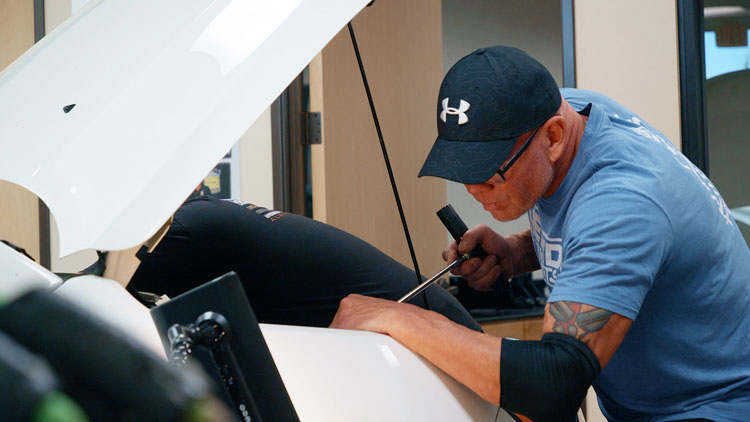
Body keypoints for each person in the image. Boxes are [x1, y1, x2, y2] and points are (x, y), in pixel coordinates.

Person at [330, 46, 750, 421]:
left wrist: (403, 319)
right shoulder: (577, 113)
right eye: (464, 171)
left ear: (553, 137)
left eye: (492, 172)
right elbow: (585, 230)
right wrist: (514, 253)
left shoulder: (623, 201)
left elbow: (553, 386)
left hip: (711, 407)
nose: (476, 190)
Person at [128, 195, 480, 331]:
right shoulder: (205, 214)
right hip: (435, 324)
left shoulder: (185, 233)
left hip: (431, 338)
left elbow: (99, 307)